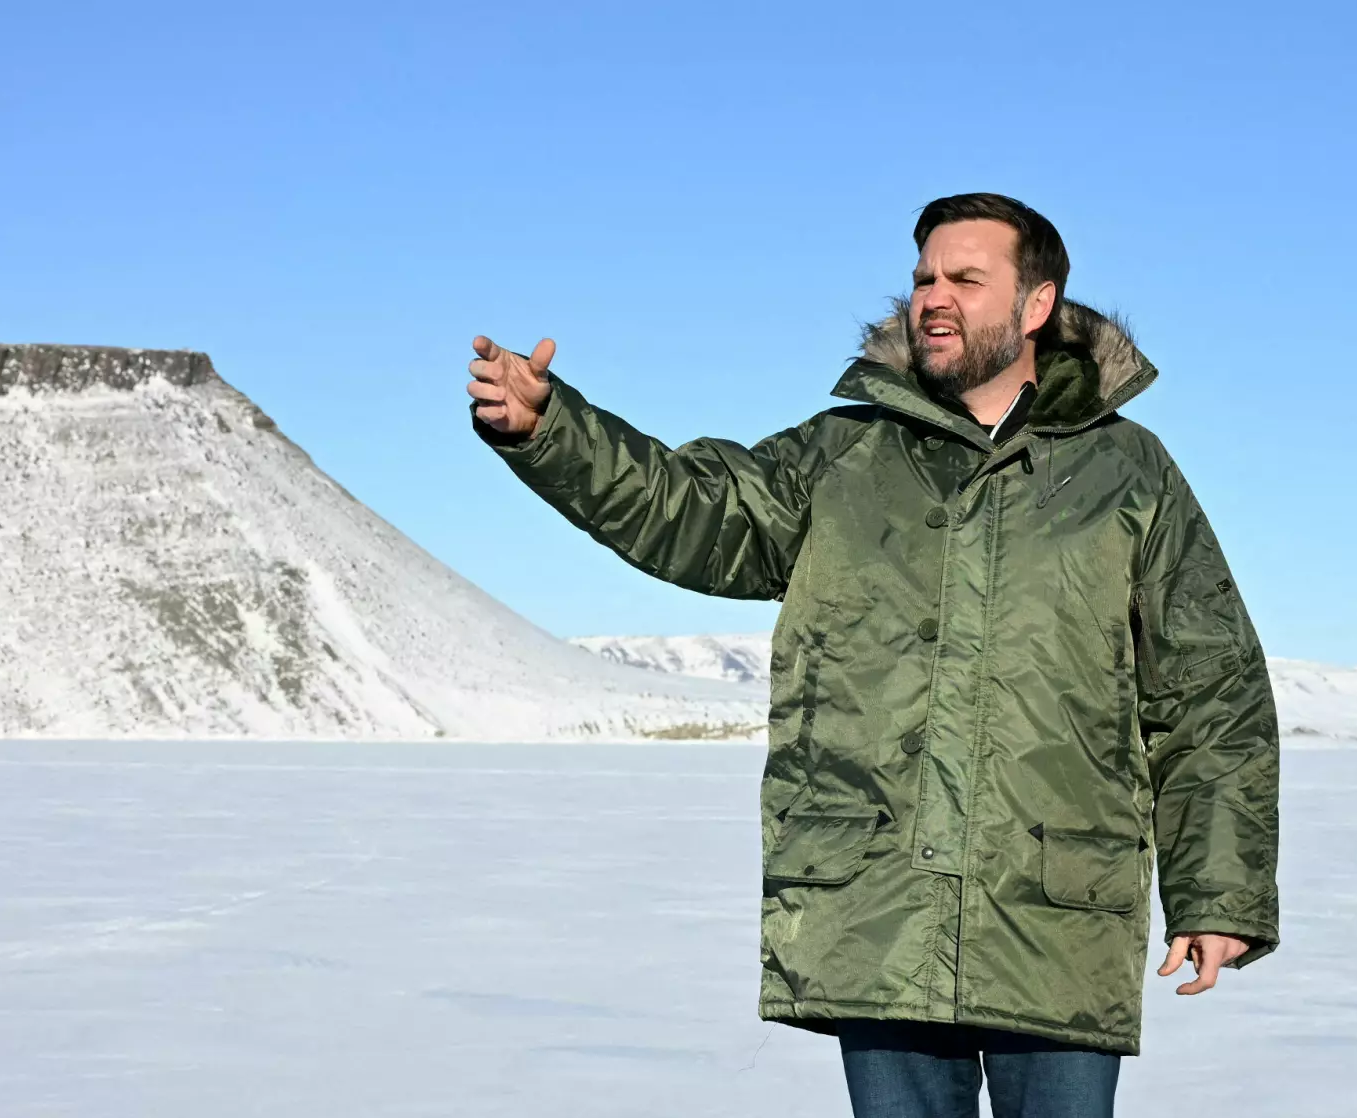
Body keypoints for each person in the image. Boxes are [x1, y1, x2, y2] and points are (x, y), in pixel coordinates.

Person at [466, 193, 1280, 1118]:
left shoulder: (1128, 473)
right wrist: (552, 431)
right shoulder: (843, 455)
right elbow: (693, 511)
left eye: (966, 279)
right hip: (881, 909)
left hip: (1058, 917)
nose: (934, 297)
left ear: (1037, 305)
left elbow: (1210, 693)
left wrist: (1220, 894)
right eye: (924, 277)